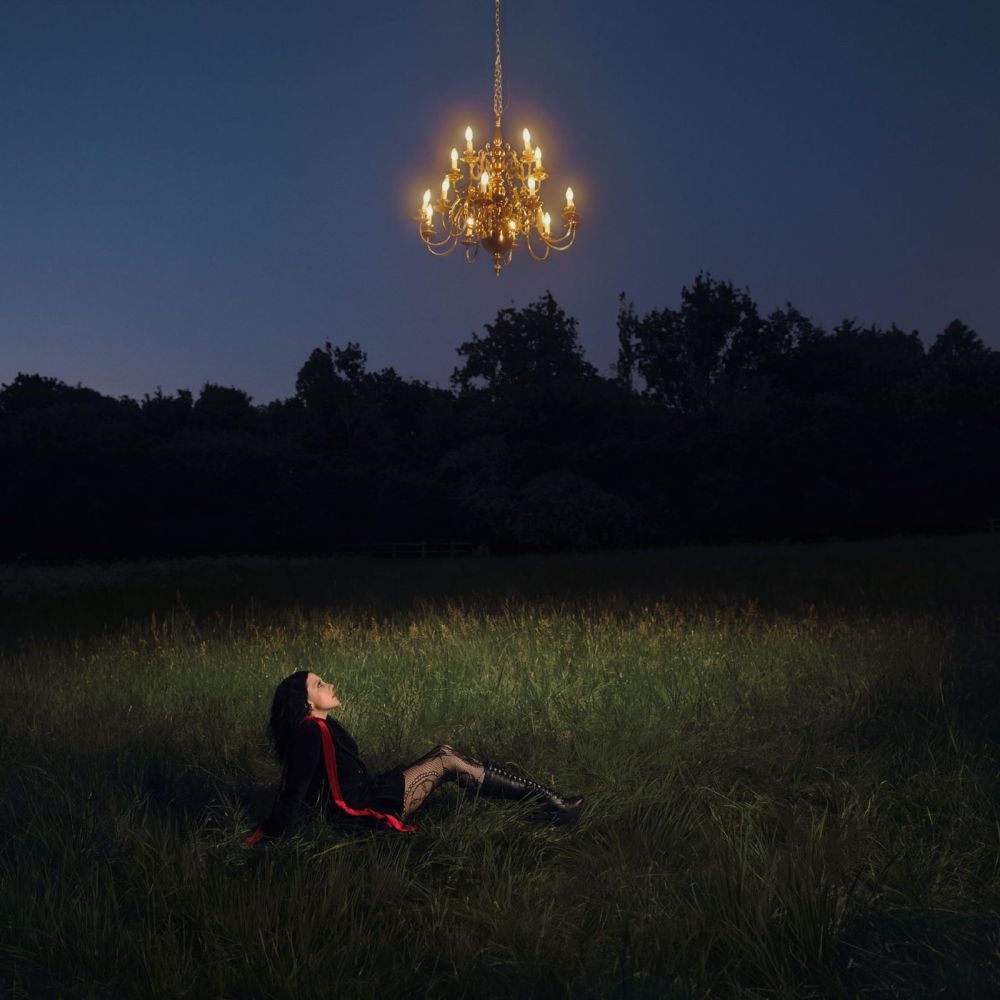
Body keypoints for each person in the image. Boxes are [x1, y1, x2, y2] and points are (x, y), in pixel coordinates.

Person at [244, 670, 583, 844]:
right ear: (306, 703)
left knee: (446, 755)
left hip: (371, 792)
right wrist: (271, 834)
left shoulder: (323, 726)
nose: (329, 685)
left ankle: (549, 805)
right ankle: (551, 806)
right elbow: (295, 787)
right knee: (447, 758)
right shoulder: (309, 732)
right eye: (319, 684)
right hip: (362, 810)